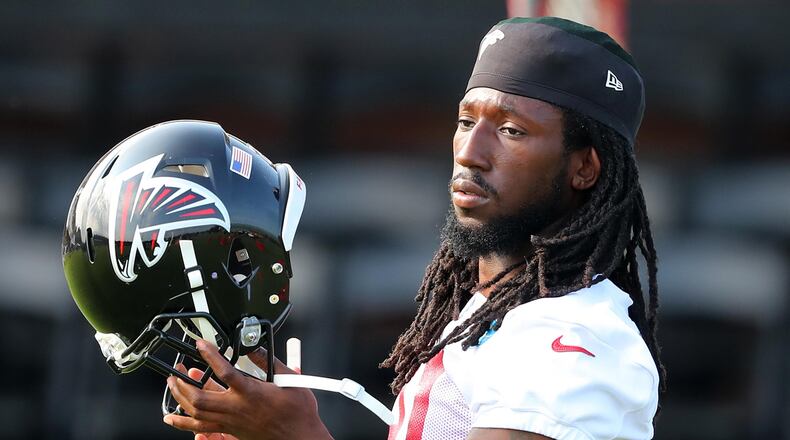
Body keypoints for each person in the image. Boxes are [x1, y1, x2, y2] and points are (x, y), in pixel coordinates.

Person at [163, 16, 663, 440]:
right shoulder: (492, 313)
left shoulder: (574, 340)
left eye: (511, 130)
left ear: (585, 168)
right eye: (467, 122)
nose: (470, 152)